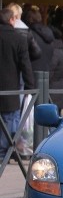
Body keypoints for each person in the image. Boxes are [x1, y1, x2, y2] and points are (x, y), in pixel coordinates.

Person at [0, 8, 35, 161]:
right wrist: (30, 86)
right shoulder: (18, 38)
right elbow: (25, 64)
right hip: (10, 87)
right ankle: (3, 153)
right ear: (12, 20)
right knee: (9, 120)